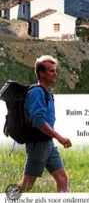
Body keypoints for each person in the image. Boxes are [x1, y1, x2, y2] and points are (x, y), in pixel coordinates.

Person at [19, 55, 72, 192]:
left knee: (62, 179)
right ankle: (8, 200)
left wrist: (53, 138)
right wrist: (59, 137)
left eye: (55, 70)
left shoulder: (47, 93)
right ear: (41, 73)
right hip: (38, 144)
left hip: (47, 143)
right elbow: (38, 121)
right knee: (27, 186)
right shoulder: (36, 93)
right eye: (51, 71)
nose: (55, 74)